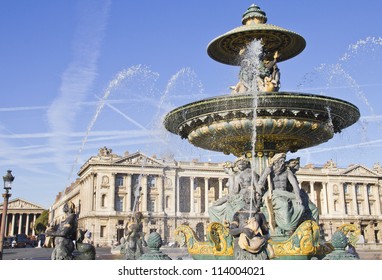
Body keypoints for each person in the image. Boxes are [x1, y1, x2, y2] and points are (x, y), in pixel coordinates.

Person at [258, 153, 305, 234]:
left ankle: (292, 226)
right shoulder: (269, 171)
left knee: (300, 207)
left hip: (285, 193)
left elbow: (295, 184)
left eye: (283, 161)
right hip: (273, 193)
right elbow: (259, 185)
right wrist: (266, 173)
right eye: (280, 161)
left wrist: (298, 197)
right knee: (284, 204)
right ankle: (286, 226)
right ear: (275, 162)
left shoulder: (287, 172)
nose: (282, 163)